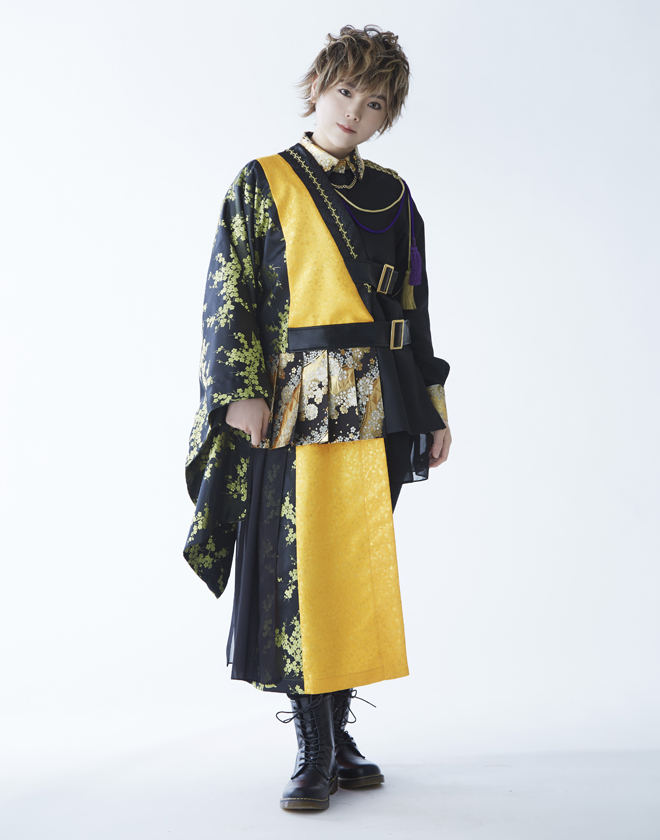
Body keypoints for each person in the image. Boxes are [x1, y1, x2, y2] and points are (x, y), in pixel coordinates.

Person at [184, 24, 451, 811]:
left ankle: (338, 734)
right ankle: (314, 749)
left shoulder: (393, 195)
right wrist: (239, 391)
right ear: (317, 88)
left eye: (374, 104)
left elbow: (413, 305)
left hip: (380, 403)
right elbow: (228, 291)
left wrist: (433, 404)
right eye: (345, 91)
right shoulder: (262, 181)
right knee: (298, 573)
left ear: (385, 117)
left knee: (353, 567)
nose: (353, 112)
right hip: (294, 403)